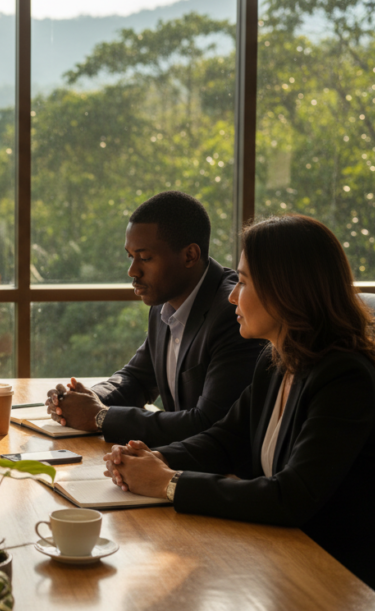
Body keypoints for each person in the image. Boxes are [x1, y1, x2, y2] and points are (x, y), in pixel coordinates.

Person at [104, 214, 375, 592]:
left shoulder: (344, 378)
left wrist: (169, 483)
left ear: (286, 290)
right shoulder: (277, 360)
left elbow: (290, 496)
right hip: (285, 553)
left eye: (243, 282)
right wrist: (153, 458)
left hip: (343, 575)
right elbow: (224, 439)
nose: (231, 294)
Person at [46, 191, 265, 446]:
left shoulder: (233, 312)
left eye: (145, 258)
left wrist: (101, 417)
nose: (132, 271)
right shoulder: (165, 303)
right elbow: (137, 379)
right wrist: (87, 398)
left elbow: (209, 423)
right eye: (131, 256)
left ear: (190, 256)